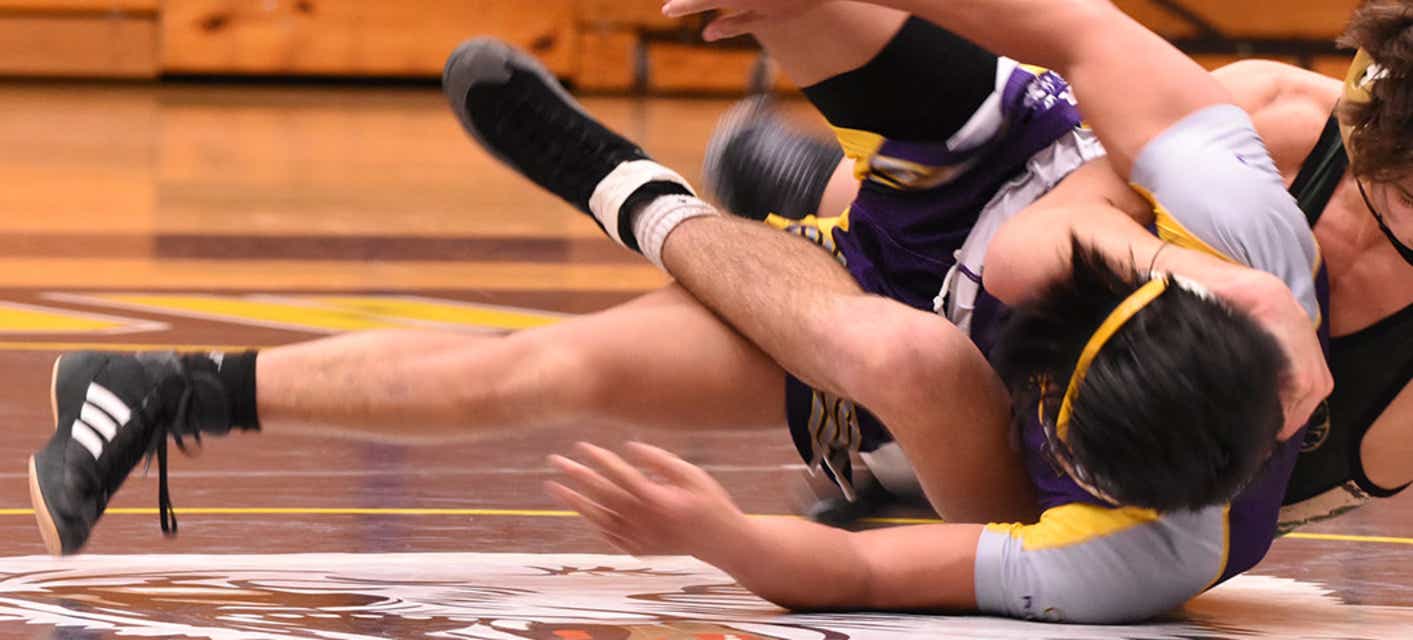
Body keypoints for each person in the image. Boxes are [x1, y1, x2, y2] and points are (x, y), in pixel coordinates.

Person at [26, 0, 1349, 624]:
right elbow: (1082, 34)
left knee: (561, 371)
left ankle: (637, 196)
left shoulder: (1139, 561)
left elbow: (861, 570)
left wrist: (726, 537)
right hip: (1006, 174)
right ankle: (766, 188)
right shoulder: (1255, 246)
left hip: (913, 387)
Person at [698, 1, 1413, 530]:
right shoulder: (1280, 115)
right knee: (986, 194)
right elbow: (1036, 238)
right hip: (1010, 290)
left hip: (1154, 488)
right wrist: (1233, 287)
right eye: (1396, 184)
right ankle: (816, 186)